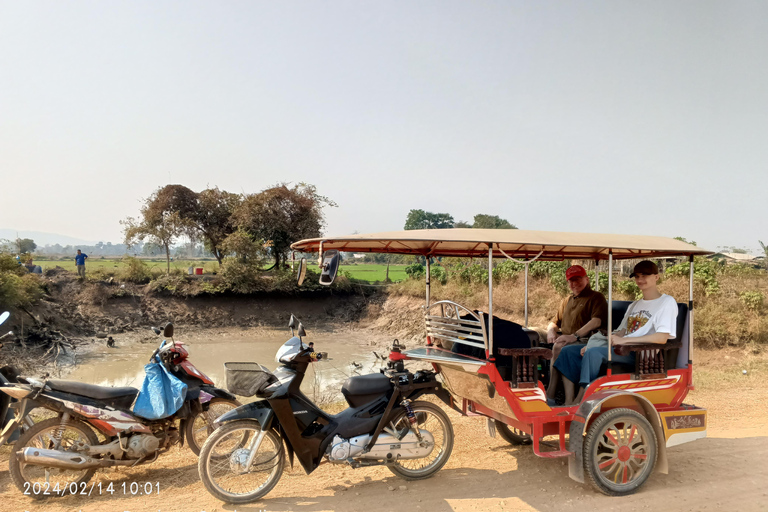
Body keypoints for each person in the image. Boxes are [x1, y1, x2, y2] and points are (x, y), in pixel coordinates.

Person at [554, 260, 678, 405]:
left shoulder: (667, 302)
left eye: (645, 275)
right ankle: (568, 400)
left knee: (593, 354)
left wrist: (624, 341)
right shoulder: (635, 305)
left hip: (639, 354)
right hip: (620, 348)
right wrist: (598, 342)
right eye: (637, 276)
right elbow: (622, 331)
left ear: (656, 277)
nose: (640, 280)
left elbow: (662, 337)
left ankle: (580, 399)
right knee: (568, 351)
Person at [545, 265, 607, 401]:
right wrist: (550, 332)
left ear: (587, 279)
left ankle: (554, 394)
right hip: (566, 338)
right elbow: (554, 322)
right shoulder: (566, 300)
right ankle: (549, 390)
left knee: (559, 347)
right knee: (536, 337)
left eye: (578, 279)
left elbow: (596, 321)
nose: (574, 284)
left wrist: (574, 336)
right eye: (571, 281)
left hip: (587, 340)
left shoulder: (596, 297)